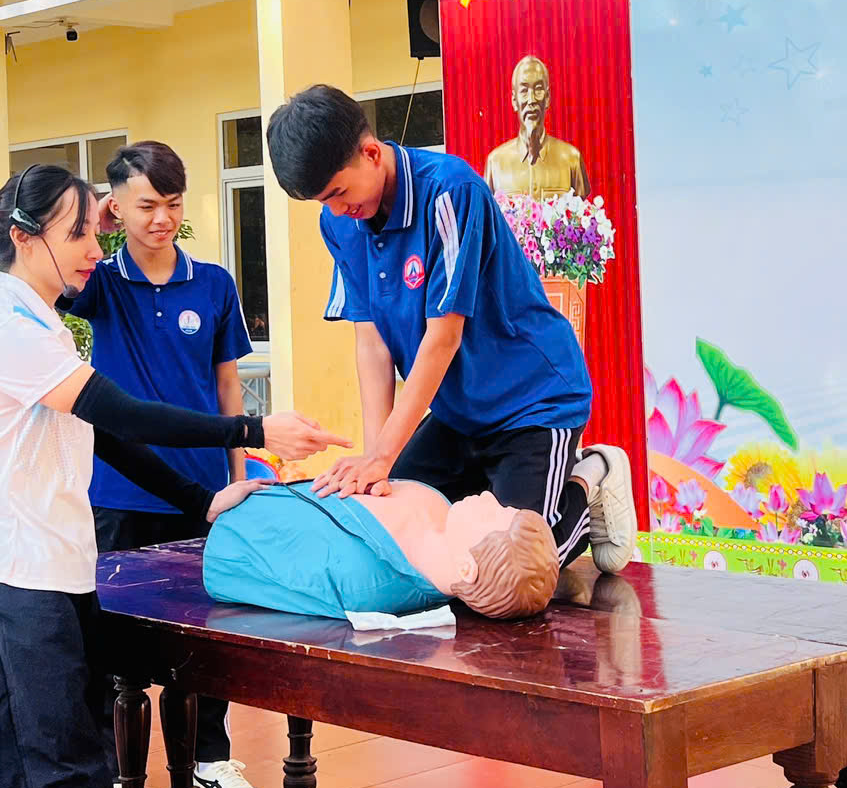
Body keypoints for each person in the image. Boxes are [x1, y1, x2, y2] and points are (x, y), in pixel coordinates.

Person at [0, 164, 344, 788]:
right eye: (81, 232)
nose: (97, 248)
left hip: (46, 588)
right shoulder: (10, 327)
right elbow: (120, 414)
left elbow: (106, 437)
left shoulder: (41, 323)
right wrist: (251, 428)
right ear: (26, 237)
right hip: (14, 596)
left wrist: (201, 499)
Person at [265, 83, 637, 572]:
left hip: (532, 403)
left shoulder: (451, 192)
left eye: (338, 193)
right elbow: (371, 343)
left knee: (512, 568)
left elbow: (443, 337)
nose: (336, 211)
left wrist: (383, 457)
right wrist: (378, 462)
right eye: (321, 202)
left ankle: (591, 479)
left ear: (371, 153)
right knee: (396, 537)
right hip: (456, 414)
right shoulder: (339, 224)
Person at [68, 141, 264, 788]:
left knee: (207, 634)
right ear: (117, 207)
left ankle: (210, 759)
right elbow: (49, 279)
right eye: (146, 205)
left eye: (173, 204)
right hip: (119, 493)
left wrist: (237, 476)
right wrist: (95, 224)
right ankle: (111, 775)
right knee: (112, 638)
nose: (162, 219)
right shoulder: (100, 284)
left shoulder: (213, 283)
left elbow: (227, 383)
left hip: (204, 493)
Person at [203, 479, 560, 621]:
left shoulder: (360, 582)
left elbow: (229, 555)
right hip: (236, 498)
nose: (491, 498)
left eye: (493, 515)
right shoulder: (441, 511)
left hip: (224, 519)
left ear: (468, 568)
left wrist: (212, 505)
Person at [483, 54, 589, 199]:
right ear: (514, 100)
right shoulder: (495, 163)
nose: (531, 100)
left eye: (538, 89)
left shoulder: (571, 159)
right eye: (524, 91)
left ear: (547, 98)